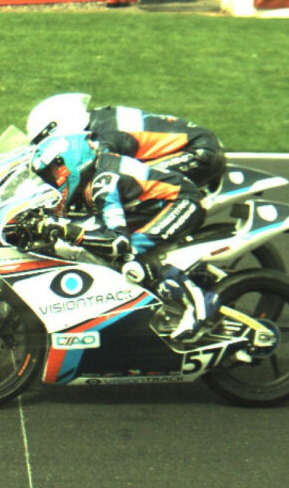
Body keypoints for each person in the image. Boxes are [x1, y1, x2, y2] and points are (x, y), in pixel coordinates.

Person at [28, 132, 220, 341]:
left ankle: (198, 303)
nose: (52, 181)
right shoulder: (92, 173)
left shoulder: (103, 181)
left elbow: (117, 242)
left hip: (182, 202)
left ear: (70, 163)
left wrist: (69, 232)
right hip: (155, 204)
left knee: (131, 262)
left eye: (53, 174)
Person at [26, 93, 227, 192]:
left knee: (124, 186)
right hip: (198, 144)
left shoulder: (102, 134)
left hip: (198, 152)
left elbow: (99, 168)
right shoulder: (99, 119)